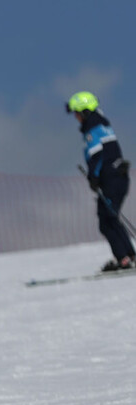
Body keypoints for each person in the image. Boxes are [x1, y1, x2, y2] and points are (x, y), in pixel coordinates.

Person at [66, 91, 133, 272]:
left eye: (77, 113)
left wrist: (94, 177)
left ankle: (124, 258)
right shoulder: (101, 122)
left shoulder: (92, 126)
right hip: (117, 177)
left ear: (85, 112)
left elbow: (96, 153)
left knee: (107, 221)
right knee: (110, 218)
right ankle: (129, 256)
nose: (76, 117)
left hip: (111, 178)